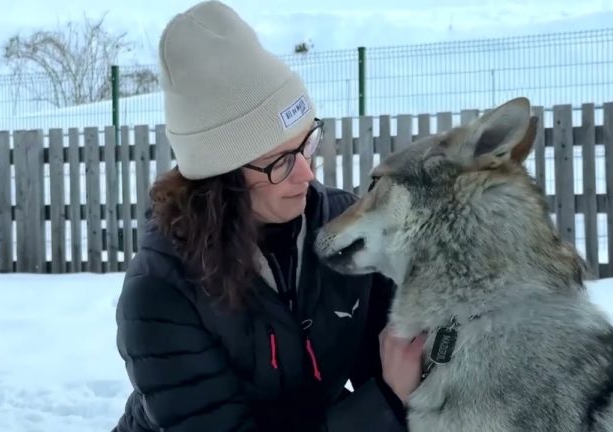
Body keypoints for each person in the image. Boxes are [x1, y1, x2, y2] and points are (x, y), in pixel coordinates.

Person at [112, 2, 425, 431]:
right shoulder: (162, 293)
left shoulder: (341, 226)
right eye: (279, 161)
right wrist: (385, 404)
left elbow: (408, 360)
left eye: (307, 144)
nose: (306, 173)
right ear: (221, 180)